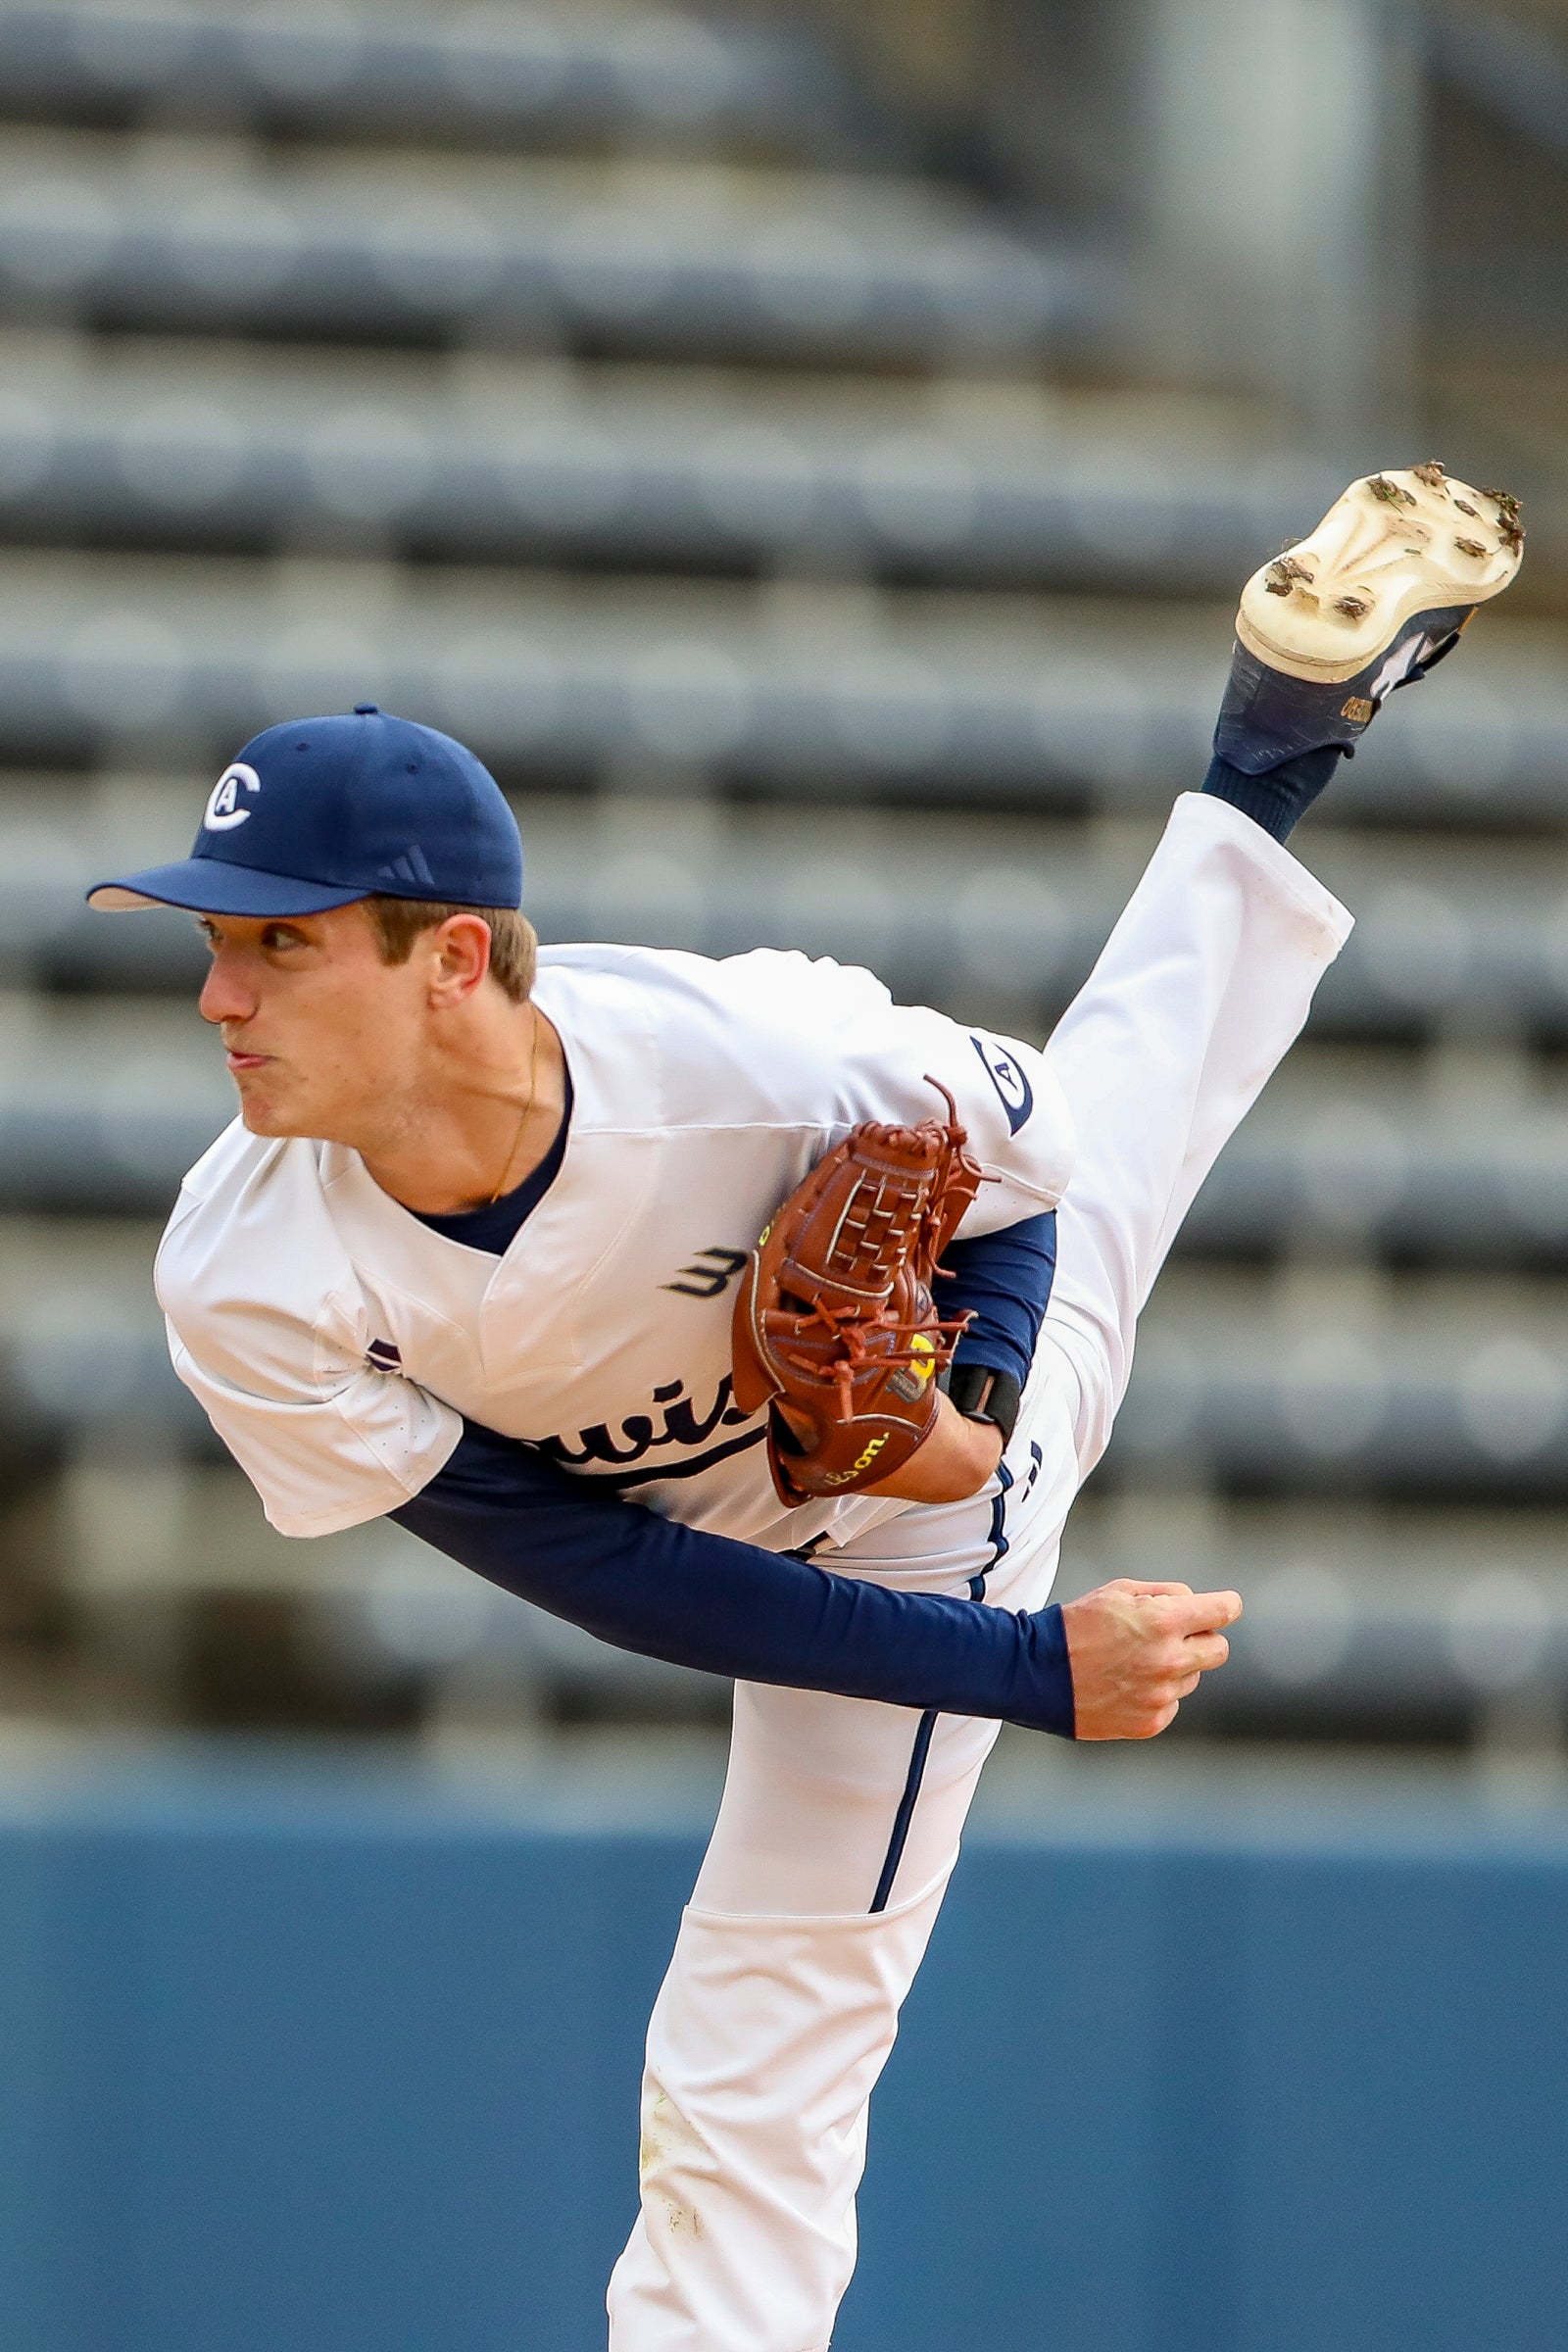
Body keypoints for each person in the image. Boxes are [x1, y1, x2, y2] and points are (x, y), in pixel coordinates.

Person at [87, 466, 1520, 2350]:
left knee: (757, 2037)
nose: (218, 992)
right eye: (213, 938)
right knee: (1127, 1106)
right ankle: (1271, 752)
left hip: (930, 1514)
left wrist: (963, 1412)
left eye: (279, 941)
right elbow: (601, 1567)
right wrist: (1031, 1678)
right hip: (707, 1524)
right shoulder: (247, 1270)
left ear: (452, 960)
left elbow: (1029, 1181)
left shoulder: (752, 1054)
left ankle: (1269, 760)